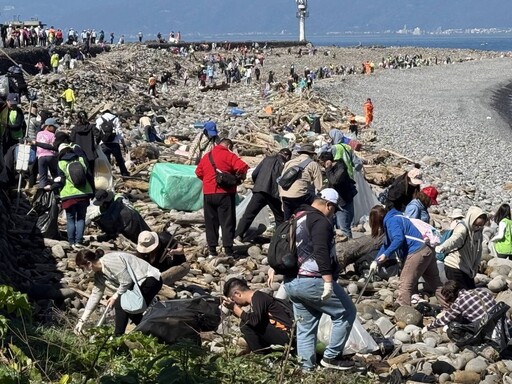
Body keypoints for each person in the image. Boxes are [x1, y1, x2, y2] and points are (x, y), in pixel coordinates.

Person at [283, 188, 356, 371]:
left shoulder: (297, 217)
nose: (333, 214)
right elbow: (321, 250)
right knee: (346, 312)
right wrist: (328, 281)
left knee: (305, 329)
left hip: (292, 282)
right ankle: (332, 357)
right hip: (312, 280)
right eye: (333, 210)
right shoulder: (320, 221)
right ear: (328, 205)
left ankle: (305, 370)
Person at [369, 204, 446, 308]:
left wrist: (386, 255)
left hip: (417, 251)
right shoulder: (397, 217)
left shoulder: (391, 221)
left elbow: (398, 239)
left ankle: (404, 312)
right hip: (427, 249)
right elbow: (387, 244)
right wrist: (375, 261)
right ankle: (450, 307)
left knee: (405, 284)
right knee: (435, 282)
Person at [74, 249, 162, 336]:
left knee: (121, 303)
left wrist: (115, 296)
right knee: (134, 313)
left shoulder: (110, 261)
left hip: (149, 278)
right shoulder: (99, 275)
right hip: (135, 286)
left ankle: (118, 337)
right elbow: (95, 296)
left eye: (82, 268)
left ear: (89, 264)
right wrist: (82, 320)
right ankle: (157, 334)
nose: (83, 271)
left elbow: (127, 280)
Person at [195, 138, 248, 257]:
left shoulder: (207, 156)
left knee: (211, 222)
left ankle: (212, 249)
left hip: (208, 194)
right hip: (225, 193)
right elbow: (243, 167)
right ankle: (228, 249)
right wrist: (238, 178)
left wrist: (209, 181)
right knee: (227, 221)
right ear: (229, 146)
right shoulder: (229, 155)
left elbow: (198, 172)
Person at [222, 278, 292, 354]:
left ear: (237, 294)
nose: (235, 303)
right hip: (283, 335)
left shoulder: (258, 297)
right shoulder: (258, 298)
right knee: (247, 321)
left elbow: (254, 322)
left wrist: (234, 308)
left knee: (246, 325)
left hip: (287, 336)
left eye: (233, 299)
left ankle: (263, 358)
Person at [235, 148, 292, 242]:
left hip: (259, 190)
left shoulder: (267, 159)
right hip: (273, 193)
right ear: (287, 156)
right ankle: (279, 240)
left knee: (248, 214)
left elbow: (254, 173)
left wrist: (258, 183)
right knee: (279, 218)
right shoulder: (285, 164)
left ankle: (238, 235)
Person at [434, 207, 487, 290]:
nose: (477, 227)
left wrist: (476, 266)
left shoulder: (479, 232)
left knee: (470, 292)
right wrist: (443, 247)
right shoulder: (463, 228)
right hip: (454, 266)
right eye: (476, 225)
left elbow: (478, 251)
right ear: (471, 220)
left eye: (480, 225)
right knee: (461, 295)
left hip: (467, 269)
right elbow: (455, 239)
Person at [52, 143, 93, 248]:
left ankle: (71, 242)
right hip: (83, 194)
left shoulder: (61, 163)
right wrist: (93, 191)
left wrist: (52, 187)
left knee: (70, 219)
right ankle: (79, 241)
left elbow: (61, 181)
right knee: (81, 218)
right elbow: (89, 175)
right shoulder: (81, 160)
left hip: (68, 195)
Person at [427, 280, 497, 330]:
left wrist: (428, 327)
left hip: (488, 329)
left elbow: (444, 319)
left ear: (451, 297)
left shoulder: (459, 302)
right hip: (500, 320)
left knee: (454, 327)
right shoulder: (479, 290)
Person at [278, 143, 323, 220]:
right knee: (310, 214)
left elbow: (281, 181)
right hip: (301, 196)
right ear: (312, 154)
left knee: (287, 220)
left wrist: (282, 199)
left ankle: (286, 230)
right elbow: (319, 186)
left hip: (285, 196)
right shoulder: (313, 164)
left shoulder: (289, 162)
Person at [318, 150, 357, 238]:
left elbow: (334, 181)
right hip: (333, 201)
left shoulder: (341, 168)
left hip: (343, 201)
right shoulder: (331, 170)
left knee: (344, 227)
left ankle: (349, 247)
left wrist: (328, 169)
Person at [96, 104, 129, 177]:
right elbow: (119, 132)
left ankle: (107, 176)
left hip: (104, 143)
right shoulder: (115, 119)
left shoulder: (99, 119)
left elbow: (97, 133)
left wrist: (96, 144)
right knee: (119, 160)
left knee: (106, 161)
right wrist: (124, 144)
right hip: (114, 142)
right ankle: (124, 173)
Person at [34, 118, 59, 188]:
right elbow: (53, 146)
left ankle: (42, 193)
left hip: (41, 157)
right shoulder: (52, 135)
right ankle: (57, 191)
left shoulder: (39, 133)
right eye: (54, 127)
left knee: (42, 177)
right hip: (51, 156)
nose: (55, 129)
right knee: (55, 175)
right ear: (48, 126)